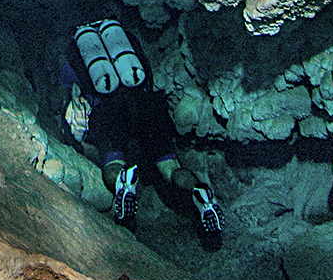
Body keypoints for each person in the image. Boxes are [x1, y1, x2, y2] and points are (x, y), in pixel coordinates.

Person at [61, 16, 223, 236]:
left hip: (109, 110)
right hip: (147, 105)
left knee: (113, 163)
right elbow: (145, 73)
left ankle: (123, 184)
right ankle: (199, 193)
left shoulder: (76, 53)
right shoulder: (125, 40)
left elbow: (67, 94)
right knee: (170, 168)